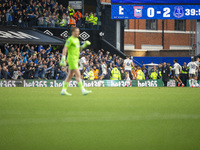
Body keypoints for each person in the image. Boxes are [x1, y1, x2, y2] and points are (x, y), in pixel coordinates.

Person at [59, 27, 92, 96]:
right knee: (78, 74)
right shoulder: (70, 39)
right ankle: (83, 90)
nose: (78, 33)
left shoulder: (77, 40)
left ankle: (63, 90)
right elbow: (65, 48)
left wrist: (84, 45)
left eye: (79, 31)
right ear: (73, 32)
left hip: (76, 59)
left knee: (70, 75)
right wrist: (63, 58)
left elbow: (79, 50)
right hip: (71, 59)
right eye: (77, 31)